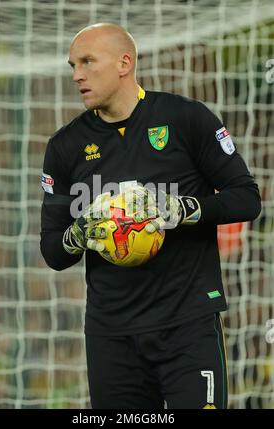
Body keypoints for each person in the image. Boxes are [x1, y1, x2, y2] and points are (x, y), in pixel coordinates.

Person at [40, 23, 261, 409]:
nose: (77, 74)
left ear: (125, 63)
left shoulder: (186, 119)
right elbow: (53, 252)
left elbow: (246, 199)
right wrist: (78, 234)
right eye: (73, 64)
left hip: (188, 325)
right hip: (112, 336)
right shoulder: (65, 146)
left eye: (88, 61)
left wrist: (183, 209)